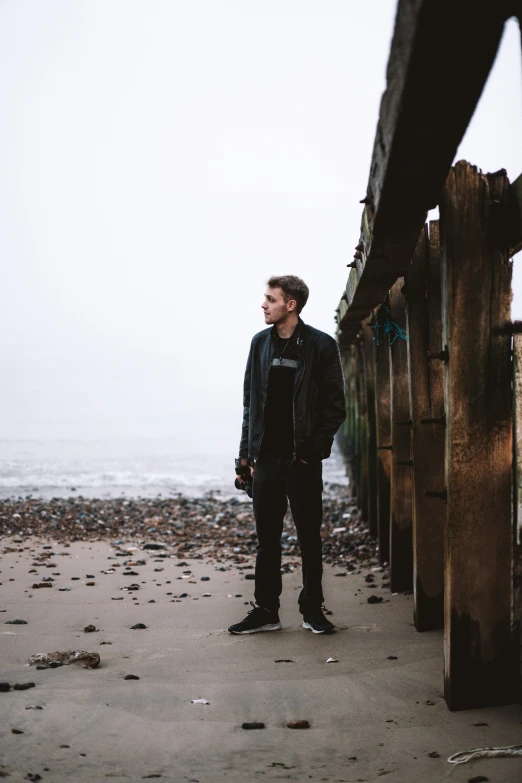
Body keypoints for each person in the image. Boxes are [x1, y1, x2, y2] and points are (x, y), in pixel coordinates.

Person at [228, 275, 346, 635]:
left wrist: (312, 451)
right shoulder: (259, 344)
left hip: (301, 462)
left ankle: (312, 609)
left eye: (270, 299)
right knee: (267, 541)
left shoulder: (320, 345)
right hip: (265, 460)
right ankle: (266, 610)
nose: (263, 304)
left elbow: (335, 407)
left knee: (310, 538)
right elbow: (252, 405)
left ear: (290, 305)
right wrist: (244, 458)